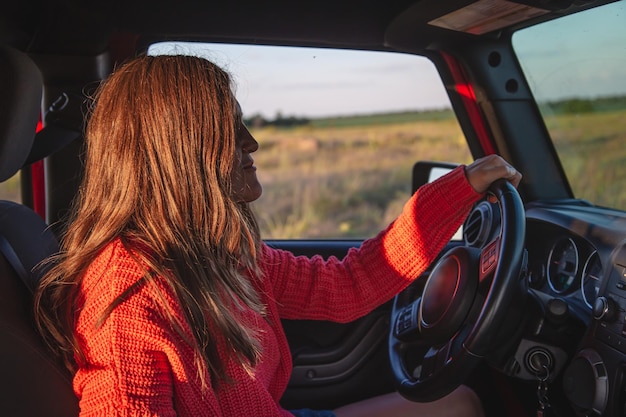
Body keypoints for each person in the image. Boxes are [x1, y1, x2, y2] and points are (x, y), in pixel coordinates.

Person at [34, 54, 521, 417]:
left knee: (461, 403)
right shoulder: (127, 297)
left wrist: (461, 189)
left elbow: (350, 284)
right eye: (229, 127)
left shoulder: (219, 252)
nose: (252, 142)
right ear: (179, 152)